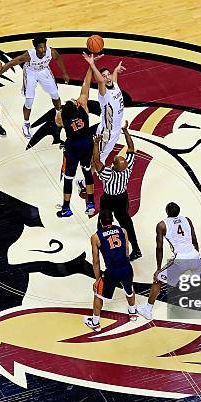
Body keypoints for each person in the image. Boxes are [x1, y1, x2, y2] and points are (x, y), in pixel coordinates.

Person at [137, 202, 201, 320]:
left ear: (166, 212)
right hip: (194, 255)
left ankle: (147, 310)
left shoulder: (162, 225)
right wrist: (197, 256)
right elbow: (194, 239)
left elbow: (159, 248)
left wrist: (158, 269)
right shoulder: (187, 220)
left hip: (180, 260)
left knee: (157, 279)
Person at [0, 36, 70, 139]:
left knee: (55, 94)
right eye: (40, 48)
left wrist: (64, 73)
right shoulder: (29, 55)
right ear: (35, 48)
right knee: (29, 100)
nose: (43, 50)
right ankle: (26, 124)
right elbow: (11, 63)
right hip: (31, 72)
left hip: (44, 70)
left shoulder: (50, 51)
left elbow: (58, 58)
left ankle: (59, 115)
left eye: (44, 47)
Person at [91, 121, 142, 260]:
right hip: (122, 198)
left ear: (114, 165)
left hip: (109, 199)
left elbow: (96, 162)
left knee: (102, 221)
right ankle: (136, 249)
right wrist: (125, 131)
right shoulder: (128, 167)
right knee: (126, 222)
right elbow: (131, 147)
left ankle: (101, 244)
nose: (118, 156)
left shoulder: (109, 174)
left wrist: (96, 144)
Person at [54, 65, 97, 218]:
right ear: (77, 105)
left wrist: (59, 111)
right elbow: (86, 85)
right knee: (87, 172)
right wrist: (91, 66)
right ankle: (90, 203)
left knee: (68, 177)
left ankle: (66, 208)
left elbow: (57, 123)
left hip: (73, 147)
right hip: (86, 143)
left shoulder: (62, 117)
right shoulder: (83, 107)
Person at [84, 209, 137, 331]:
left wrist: (98, 279)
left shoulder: (96, 237)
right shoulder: (122, 231)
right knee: (129, 289)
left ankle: (95, 323)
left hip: (112, 272)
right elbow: (127, 251)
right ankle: (133, 313)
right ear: (113, 219)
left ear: (100, 221)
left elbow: (96, 261)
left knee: (98, 294)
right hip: (126, 267)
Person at [82, 53, 126, 163]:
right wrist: (92, 64)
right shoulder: (104, 93)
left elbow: (114, 78)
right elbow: (101, 81)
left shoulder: (115, 85)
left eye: (108, 75)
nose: (107, 78)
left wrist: (116, 69)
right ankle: (85, 179)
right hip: (107, 133)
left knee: (102, 157)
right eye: (104, 76)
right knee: (97, 160)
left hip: (116, 130)